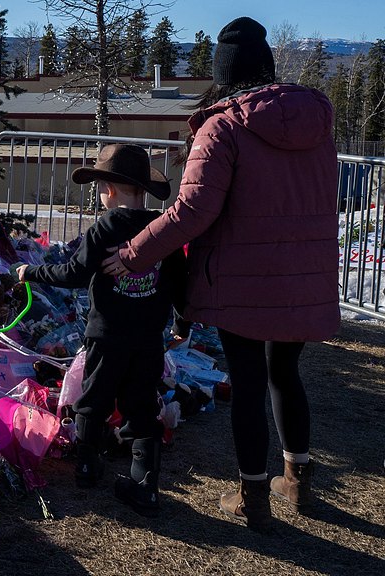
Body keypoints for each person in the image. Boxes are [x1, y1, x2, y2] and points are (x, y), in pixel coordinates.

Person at [101, 17, 340, 531]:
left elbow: (191, 212)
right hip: (304, 274)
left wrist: (135, 253)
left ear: (223, 73)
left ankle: (254, 496)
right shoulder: (317, 125)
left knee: (248, 382)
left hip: (243, 278)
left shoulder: (223, 126)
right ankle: (297, 479)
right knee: (285, 373)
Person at [17, 143, 189, 517]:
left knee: (94, 399)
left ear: (108, 190)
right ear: (142, 189)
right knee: (141, 406)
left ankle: (87, 465)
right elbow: (181, 284)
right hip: (148, 339)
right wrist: (182, 323)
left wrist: (31, 272)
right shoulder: (163, 233)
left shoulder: (104, 228)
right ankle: (145, 485)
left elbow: (73, 274)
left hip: (106, 335)